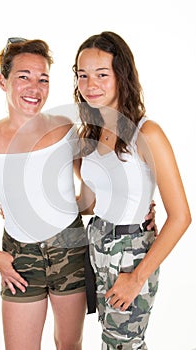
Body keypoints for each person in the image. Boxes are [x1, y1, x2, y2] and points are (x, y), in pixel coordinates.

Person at [0, 37, 156, 350]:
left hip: (70, 247)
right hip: (19, 256)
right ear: (3, 81)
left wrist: (138, 207)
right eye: (23, 77)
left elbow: (96, 178)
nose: (34, 87)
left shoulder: (66, 128)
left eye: (43, 79)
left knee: (69, 344)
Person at [73, 31, 191, 349]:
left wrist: (137, 277)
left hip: (131, 256)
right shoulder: (90, 135)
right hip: (96, 246)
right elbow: (90, 201)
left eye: (101, 74)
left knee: (125, 343)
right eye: (82, 75)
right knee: (111, 340)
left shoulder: (146, 133)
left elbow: (181, 216)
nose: (90, 84)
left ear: (121, 75)